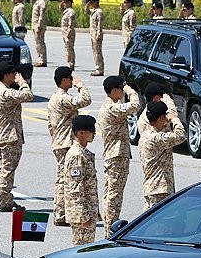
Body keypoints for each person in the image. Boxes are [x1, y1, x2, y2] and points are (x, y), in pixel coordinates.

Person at [48, 66, 92, 225]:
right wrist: (80, 85)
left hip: (59, 141)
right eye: (70, 78)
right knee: (64, 179)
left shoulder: (54, 98)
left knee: (62, 177)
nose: (72, 81)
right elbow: (85, 100)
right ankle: (61, 214)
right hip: (66, 142)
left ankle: (61, 213)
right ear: (64, 80)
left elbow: (49, 124)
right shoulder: (63, 98)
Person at [98, 76, 141, 231]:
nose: (123, 92)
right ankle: (110, 228)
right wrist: (131, 91)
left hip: (115, 154)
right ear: (115, 90)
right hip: (116, 156)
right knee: (114, 195)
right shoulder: (112, 108)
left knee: (111, 192)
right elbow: (135, 105)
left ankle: (109, 225)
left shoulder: (111, 105)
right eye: (121, 89)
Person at [0, 63, 34, 212]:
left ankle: (4, 197)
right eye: (13, 73)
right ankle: (5, 200)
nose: (15, 75)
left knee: (4, 168)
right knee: (8, 169)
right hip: (10, 137)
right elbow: (28, 96)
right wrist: (22, 83)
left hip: (6, 135)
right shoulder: (5, 92)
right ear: (7, 75)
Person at [140, 100, 186, 208]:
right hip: (160, 191)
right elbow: (180, 135)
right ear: (160, 118)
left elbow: (164, 128)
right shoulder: (156, 138)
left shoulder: (146, 133)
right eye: (165, 116)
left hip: (153, 188)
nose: (167, 118)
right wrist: (175, 119)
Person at [63, 114, 101, 246]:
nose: (94, 133)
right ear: (81, 133)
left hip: (88, 211)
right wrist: (83, 216)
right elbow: (75, 189)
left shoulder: (83, 153)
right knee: (81, 251)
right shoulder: (77, 156)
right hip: (83, 215)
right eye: (91, 131)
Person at [86, 0, 104, 76]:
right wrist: (87, 5)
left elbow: (100, 25)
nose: (91, 4)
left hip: (97, 35)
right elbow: (87, 12)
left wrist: (98, 35)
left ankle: (99, 69)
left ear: (96, 2)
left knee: (98, 53)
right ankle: (98, 67)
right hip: (93, 34)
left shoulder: (99, 12)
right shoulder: (94, 11)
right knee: (95, 52)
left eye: (92, 2)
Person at [31, 0, 48, 67]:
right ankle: (40, 58)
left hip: (39, 26)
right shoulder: (37, 2)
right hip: (35, 25)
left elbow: (41, 15)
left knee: (40, 43)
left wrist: (39, 25)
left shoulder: (42, 3)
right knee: (38, 43)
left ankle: (42, 60)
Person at [59, 0, 77, 69]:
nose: (64, 4)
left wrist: (68, 33)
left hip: (69, 33)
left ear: (69, 2)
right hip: (65, 32)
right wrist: (61, 5)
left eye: (65, 2)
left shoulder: (71, 12)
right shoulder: (66, 11)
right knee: (67, 48)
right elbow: (61, 9)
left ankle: (71, 63)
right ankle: (69, 62)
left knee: (69, 49)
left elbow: (71, 23)